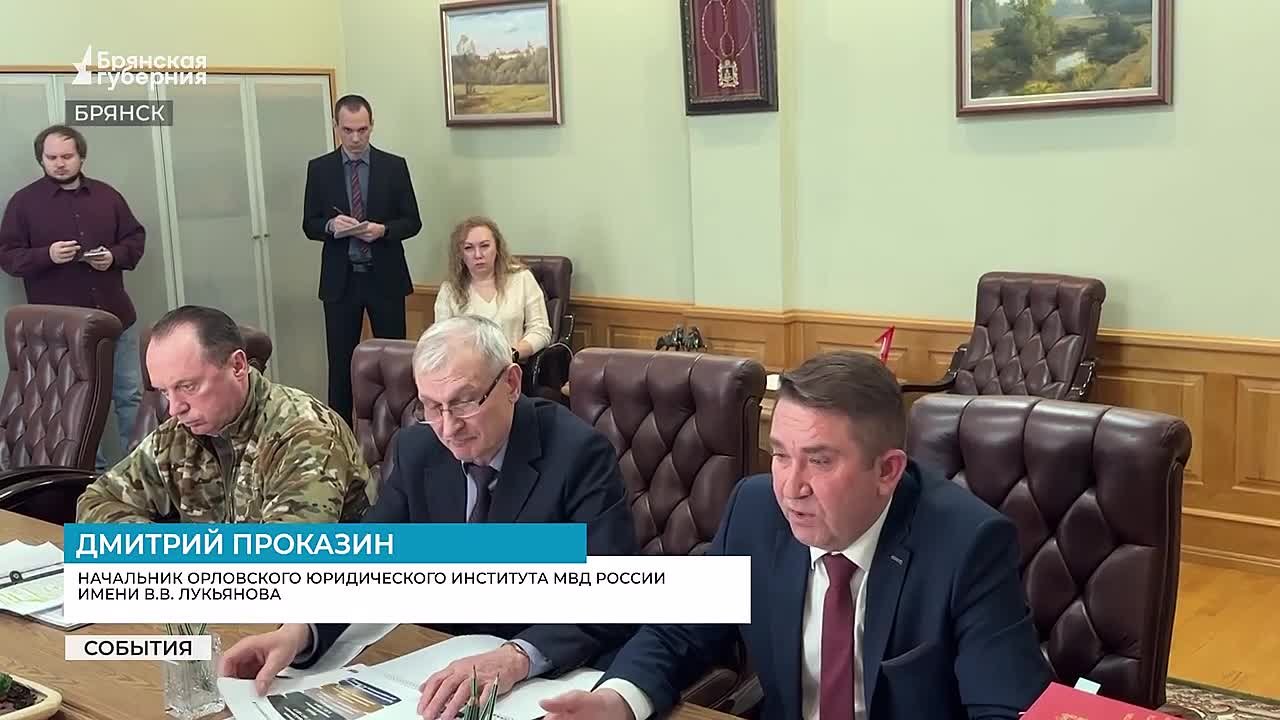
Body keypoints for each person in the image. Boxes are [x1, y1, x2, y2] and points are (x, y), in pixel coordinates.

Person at [541, 351, 1053, 720]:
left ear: (887, 471)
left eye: (820, 461)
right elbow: (679, 631)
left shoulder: (969, 544)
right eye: (781, 455)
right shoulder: (755, 510)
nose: (791, 487)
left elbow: (1006, 708)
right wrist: (617, 701)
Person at [219, 315, 636, 720]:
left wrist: (515, 658)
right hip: (433, 665)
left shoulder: (579, 454)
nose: (448, 428)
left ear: (511, 383)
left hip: (538, 677)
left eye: (464, 402)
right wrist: (299, 632)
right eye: (432, 406)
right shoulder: (418, 448)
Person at [76, 305, 371, 524]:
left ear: (238, 366)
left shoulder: (305, 434)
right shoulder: (179, 434)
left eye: (188, 386)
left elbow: (284, 564)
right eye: (164, 391)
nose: (174, 409)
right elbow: (96, 502)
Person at [0, 124, 145, 471]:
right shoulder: (24, 203)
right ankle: (89, 477)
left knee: (130, 396)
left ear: (81, 156)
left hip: (115, 319)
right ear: (41, 159)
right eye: (51, 157)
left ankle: (141, 472)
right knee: (74, 407)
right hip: (61, 332)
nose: (60, 163)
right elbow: (7, 256)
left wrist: (113, 256)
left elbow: (135, 239)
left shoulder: (107, 196)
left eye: (67, 156)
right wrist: (46, 255)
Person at [303, 94, 421, 427]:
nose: (356, 138)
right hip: (341, 281)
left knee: (396, 363)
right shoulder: (320, 169)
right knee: (340, 364)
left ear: (372, 126)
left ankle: (399, 432)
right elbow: (309, 224)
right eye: (348, 130)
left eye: (363, 130)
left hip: (384, 277)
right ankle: (338, 435)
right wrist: (331, 226)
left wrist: (383, 230)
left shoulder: (393, 166)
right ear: (336, 127)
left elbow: (412, 221)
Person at [434, 216, 552, 364]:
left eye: (484, 246)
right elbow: (441, 340)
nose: (478, 255)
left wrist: (512, 353)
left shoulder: (522, 278)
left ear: (497, 247)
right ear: (460, 254)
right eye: (468, 248)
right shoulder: (449, 290)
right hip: (467, 369)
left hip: (513, 365)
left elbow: (541, 330)